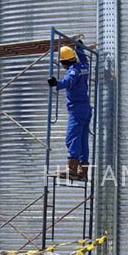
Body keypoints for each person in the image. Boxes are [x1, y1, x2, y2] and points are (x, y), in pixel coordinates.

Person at [48, 43, 91, 181]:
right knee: (83, 140)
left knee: (72, 137)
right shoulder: (84, 66)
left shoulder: (73, 70)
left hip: (77, 109)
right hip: (86, 109)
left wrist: (56, 83)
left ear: (64, 62)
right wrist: (79, 47)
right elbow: (84, 58)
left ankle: (72, 169)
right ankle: (83, 171)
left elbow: (69, 81)